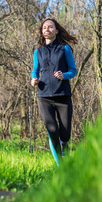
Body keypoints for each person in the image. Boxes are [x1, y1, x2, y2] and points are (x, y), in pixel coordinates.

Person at [31, 18, 78, 157]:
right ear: (42, 31)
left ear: (56, 30)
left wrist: (64, 75)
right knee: (52, 130)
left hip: (63, 95)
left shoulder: (64, 48)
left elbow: (73, 70)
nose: (47, 29)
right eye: (44, 27)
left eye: (50, 27)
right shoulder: (38, 52)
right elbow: (35, 70)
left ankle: (65, 145)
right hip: (44, 97)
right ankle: (61, 163)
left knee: (64, 134)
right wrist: (33, 79)